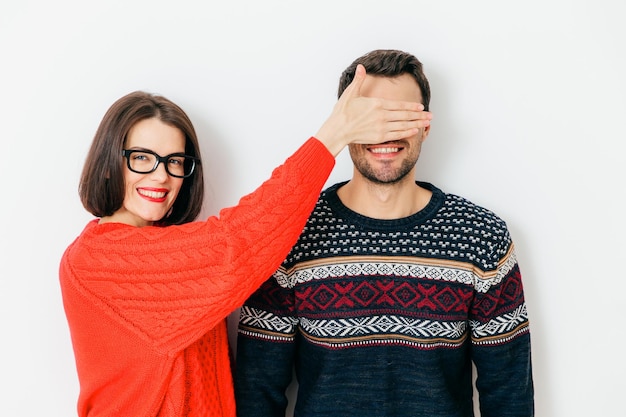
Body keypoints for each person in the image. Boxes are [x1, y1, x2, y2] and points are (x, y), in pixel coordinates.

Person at [59, 65, 432, 417]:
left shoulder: (165, 249)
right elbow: (235, 244)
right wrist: (332, 135)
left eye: (175, 161)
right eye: (141, 158)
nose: (161, 177)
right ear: (108, 162)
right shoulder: (96, 259)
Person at [235, 49, 534, 417]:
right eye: (369, 118)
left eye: (400, 117)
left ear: (426, 125)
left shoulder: (482, 238)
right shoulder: (293, 235)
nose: (384, 133)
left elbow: (508, 396)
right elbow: (256, 391)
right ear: (344, 125)